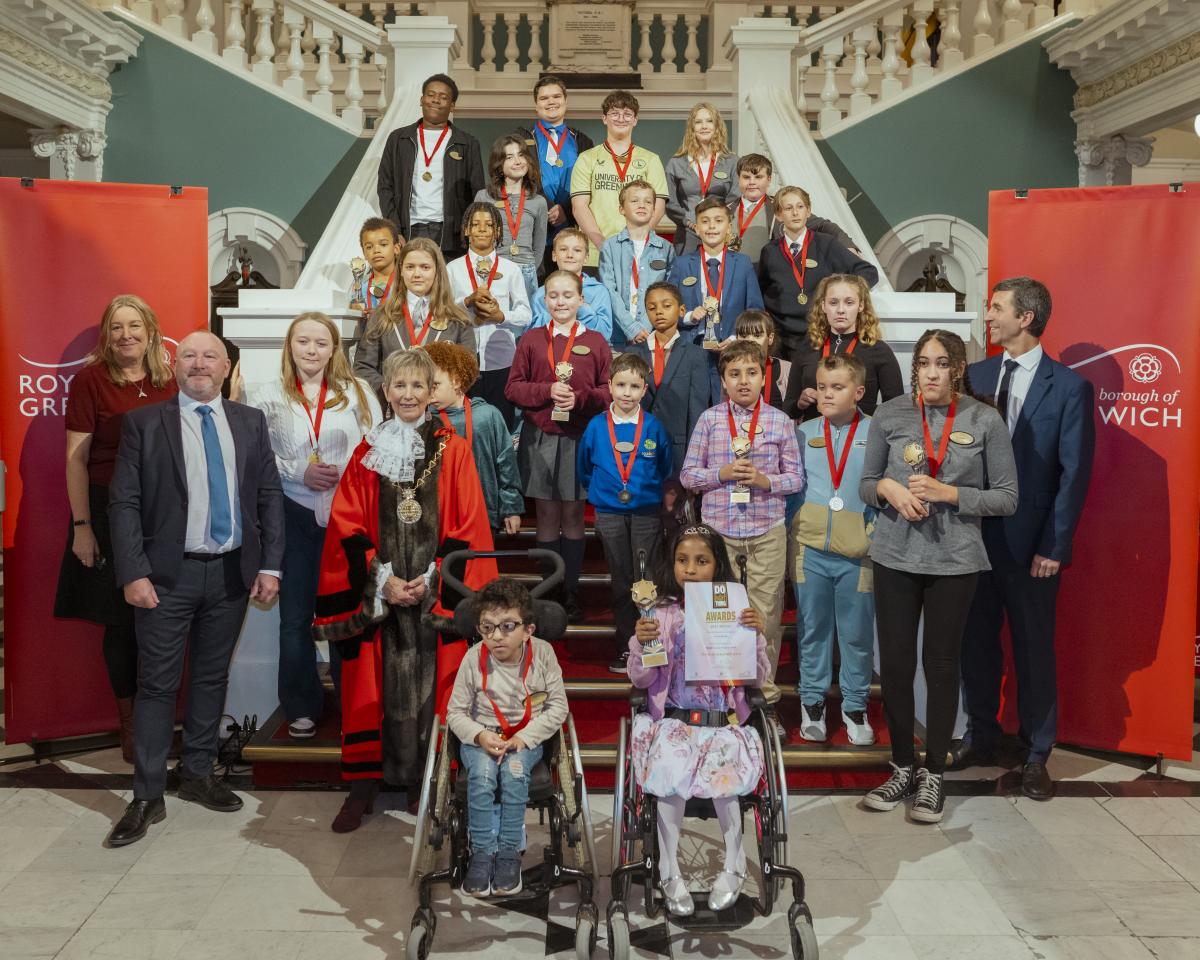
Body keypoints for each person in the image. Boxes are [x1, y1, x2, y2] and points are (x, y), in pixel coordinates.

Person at [105, 331, 284, 847]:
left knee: (210, 677)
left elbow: (268, 496)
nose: (199, 364)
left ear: (226, 368)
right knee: (157, 684)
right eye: (189, 356)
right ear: (174, 366)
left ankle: (198, 774)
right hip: (165, 577)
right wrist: (133, 573)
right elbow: (124, 504)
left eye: (210, 356)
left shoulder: (250, 423)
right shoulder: (142, 424)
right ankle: (147, 794)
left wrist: (271, 565)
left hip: (231, 574)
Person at [314, 348, 498, 832]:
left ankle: (430, 782)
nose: (410, 394)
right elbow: (347, 525)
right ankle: (363, 787)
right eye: (401, 385)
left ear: (433, 392)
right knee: (367, 689)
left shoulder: (452, 449)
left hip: (432, 590)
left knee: (437, 687)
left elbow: (469, 522)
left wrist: (432, 577)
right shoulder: (366, 451)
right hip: (382, 596)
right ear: (386, 391)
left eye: (420, 385)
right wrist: (382, 579)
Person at [859, 329, 1017, 824]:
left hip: (956, 561)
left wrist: (951, 495)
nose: (931, 372)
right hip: (894, 556)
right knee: (899, 666)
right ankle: (902, 765)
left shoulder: (984, 419)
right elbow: (865, 485)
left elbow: (1007, 497)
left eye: (942, 363)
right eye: (924, 362)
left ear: (958, 368)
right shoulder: (891, 414)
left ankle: (933, 775)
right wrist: (887, 486)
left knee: (942, 666)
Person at [955, 278, 1095, 800]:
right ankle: (981, 735)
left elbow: (1073, 475)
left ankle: (1037, 753)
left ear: (1026, 318)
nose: (988, 317)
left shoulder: (1070, 388)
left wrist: (1054, 547)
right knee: (976, 644)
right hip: (974, 541)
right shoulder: (978, 375)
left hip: (1033, 548)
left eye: (996, 308)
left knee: (1034, 650)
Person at [238, 314, 380, 740]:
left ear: (335, 349)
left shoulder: (357, 392)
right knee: (295, 617)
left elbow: (376, 447)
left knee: (346, 613)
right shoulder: (267, 396)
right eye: (303, 342)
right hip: (292, 516)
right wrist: (300, 471)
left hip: (346, 517)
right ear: (290, 346)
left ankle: (353, 700)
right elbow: (256, 457)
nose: (312, 350)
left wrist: (350, 476)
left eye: (321, 343)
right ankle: (301, 705)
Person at [54, 295, 178, 764]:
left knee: (166, 622)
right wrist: (83, 526)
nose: (125, 335)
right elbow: (76, 460)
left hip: (165, 517)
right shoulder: (91, 381)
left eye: (134, 326)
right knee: (122, 623)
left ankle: (159, 721)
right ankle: (130, 728)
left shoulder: (170, 381)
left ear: (151, 330)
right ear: (107, 336)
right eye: (116, 327)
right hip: (109, 513)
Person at [627, 523, 770, 916]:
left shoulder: (736, 610)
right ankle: (670, 871)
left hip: (720, 719)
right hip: (673, 718)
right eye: (682, 560)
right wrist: (642, 643)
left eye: (701, 561)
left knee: (724, 770)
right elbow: (640, 679)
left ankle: (735, 863)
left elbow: (757, 678)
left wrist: (754, 636)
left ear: (717, 566)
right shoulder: (659, 613)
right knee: (670, 766)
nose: (690, 569)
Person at [679, 340, 803, 706]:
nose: (744, 381)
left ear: (764, 378)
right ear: (723, 381)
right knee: (717, 617)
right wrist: (722, 473)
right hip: (718, 535)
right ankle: (719, 698)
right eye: (735, 374)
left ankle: (764, 698)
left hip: (767, 531)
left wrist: (767, 481)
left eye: (751, 373)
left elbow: (796, 478)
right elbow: (688, 476)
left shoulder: (780, 421)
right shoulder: (710, 419)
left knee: (764, 616)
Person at [447, 578, 569, 898]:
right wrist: (480, 735)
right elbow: (455, 713)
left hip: (524, 737)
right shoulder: (474, 657)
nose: (496, 636)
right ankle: (482, 852)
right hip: (482, 735)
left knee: (514, 773)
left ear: (528, 630)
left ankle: (509, 852)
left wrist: (524, 739)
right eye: (487, 627)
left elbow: (557, 708)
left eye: (507, 626)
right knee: (484, 774)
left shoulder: (543, 654)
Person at [506, 271, 613, 622]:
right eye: (553, 295)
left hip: (579, 439)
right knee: (548, 516)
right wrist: (547, 391)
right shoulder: (532, 340)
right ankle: (548, 588)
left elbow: (608, 391)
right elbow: (513, 388)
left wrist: (580, 399)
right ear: (544, 300)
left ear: (582, 300)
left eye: (568, 295)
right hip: (540, 438)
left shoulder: (596, 341)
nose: (561, 301)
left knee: (573, 517)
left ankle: (571, 589)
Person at [792, 353, 876, 746]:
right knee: (812, 630)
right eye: (822, 386)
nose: (826, 394)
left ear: (858, 392)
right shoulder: (803, 432)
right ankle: (812, 704)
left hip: (858, 555)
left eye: (837, 388)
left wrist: (871, 534)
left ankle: (855, 707)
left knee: (857, 635)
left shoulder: (877, 434)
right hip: (810, 549)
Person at [577, 353, 673, 673]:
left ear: (644, 389)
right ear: (609, 387)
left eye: (634, 386)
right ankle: (626, 645)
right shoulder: (595, 427)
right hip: (608, 512)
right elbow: (585, 469)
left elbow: (665, 466)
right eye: (621, 385)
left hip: (645, 512)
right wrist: (605, 494)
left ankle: (651, 645)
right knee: (621, 581)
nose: (627, 393)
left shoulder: (654, 427)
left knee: (647, 580)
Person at [757, 186, 878, 360]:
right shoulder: (770, 251)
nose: (795, 213)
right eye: (788, 208)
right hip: (781, 339)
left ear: (808, 211)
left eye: (800, 207)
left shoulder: (826, 244)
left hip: (817, 336)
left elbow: (868, 272)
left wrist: (843, 289)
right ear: (778, 215)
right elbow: (761, 290)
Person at [377, 73, 484, 261]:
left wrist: (468, 233)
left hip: (451, 234)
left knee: (448, 289)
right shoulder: (398, 139)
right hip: (409, 230)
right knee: (413, 286)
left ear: (452, 106)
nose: (436, 100)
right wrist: (394, 230)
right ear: (421, 99)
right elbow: (385, 188)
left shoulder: (467, 143)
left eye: (443, 97)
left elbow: (477, 192)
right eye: (430, 94)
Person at [425, 340, 524, 537]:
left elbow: (506, 464)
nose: (429, 392)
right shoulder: (426, 421)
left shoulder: (488, 415)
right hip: (439, 515)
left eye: (435, 385)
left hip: (483, 512)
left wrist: (511, 508)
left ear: (456, 381)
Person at [445, 203, 531, 430]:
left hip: (501, 361)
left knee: (500, 426)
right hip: (462, 361)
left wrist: (501, 315)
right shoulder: (452, 269)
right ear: (466, 230)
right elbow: (442, 312)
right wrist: (467, 301)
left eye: (489, 225)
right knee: (462, 428)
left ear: (498, 231)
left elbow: (525, 315)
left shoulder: (512, 269)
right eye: (475, 224)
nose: (482, 229)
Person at [353, 237, 477, 394]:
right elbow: (363, 367)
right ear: (401, 270)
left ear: (437, 270)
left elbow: (468, 368)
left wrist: (437, 392)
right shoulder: (382, 316)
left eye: (425, 267)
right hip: (395, 408)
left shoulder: (459, 319)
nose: (417, 274)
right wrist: (394, 391)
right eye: (410, 267)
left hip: (441, 410)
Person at [571, 90, 668, 270]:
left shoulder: (651, 159)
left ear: (635, 120)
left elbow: (658, 206)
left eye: (627, 114)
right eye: (614, 113)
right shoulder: (586, 158)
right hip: (594, 254)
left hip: (637, 253)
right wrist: (603, 245)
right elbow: (579, 207)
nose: (621, 118)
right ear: (604, 118)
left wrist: (636, 242)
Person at [786, 274, 904, 421]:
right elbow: (788, 409)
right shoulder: (808, 347)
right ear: (823, 305)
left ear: (861, 306)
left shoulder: (879, 350)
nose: (840, 310)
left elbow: (897, 410)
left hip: (861, 439)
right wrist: (799, 404)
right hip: (815, 439)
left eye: (849, 303)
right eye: (833, 302)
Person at [628, 282, 712, 473]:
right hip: (637, 445)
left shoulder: (695, 355)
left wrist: (695, 458)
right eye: (652, 307)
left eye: (666, 306)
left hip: (677, 450)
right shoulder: (633, 354)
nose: (659, 312)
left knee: (671, 502)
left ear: (681, 310)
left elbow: (697, 409)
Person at [517, 75, 595, 268]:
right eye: (544, 98)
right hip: (534, 227)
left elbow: (588, 185)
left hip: (570, 226)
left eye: (556, 96)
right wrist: (548, 206)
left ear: (565, 101)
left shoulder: (582, 141)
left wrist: (565, 210)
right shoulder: (521, 139)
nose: (551, 102)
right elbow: (521, 178)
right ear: (536, 105)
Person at [668, 198, 764, 352]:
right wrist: (689, 316)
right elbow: (669, 308)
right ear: (697, 228)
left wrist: (736, 338)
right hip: (692, 347)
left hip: (733, 347)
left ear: (728, 228)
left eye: (718, 221)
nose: (712, 226)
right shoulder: (681, 264)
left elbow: (755, 311)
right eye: (705, 221)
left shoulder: (743, 263)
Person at [728, 154, 858, 264]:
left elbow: (824, 226)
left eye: (758, 177)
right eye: (746, 177)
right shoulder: (725, 210)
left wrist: (849, 247)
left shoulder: (782, 207)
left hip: (766, 278)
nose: (752, 182)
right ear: (738, 179)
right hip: (731, 276)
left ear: (768, 180)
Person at [598, 179, 675, 348]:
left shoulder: (666, 249)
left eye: (648, 202)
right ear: (621, 209)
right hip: (619, 336)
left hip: (654, 335)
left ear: (654, 209)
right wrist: (631, 327)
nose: (642, 205)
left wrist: (647, 326)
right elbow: (609, 290)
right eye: (634, 201)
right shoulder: (610, 246)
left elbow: (668, 292)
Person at [475, 134, 548, 301]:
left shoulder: (538, 201)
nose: (518, 161)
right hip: (494, 268)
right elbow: (476, 240)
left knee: (524, 323)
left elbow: (539, 244)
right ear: (499, 165)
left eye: (521, 155)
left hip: (526, 270)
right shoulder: (484, 197)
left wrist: (528, 269)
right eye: (509, 157)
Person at [665, 103, 739, 255]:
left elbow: (736, 196)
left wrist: (719, 220)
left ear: (717, 125)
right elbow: (670, 202)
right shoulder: (676, 163)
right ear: (692, 128)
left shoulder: (732, 161)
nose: (704, 126)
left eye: (709, 121)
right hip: (688, 234)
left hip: (720, 233)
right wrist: (689, 222)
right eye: (698, 122)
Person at [529, 228, 614, 340]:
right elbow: (531, 334)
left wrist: (580, 307)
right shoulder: (541, 293)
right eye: (563, 249)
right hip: (550, 352)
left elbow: (605, 333)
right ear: (554, 255)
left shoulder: (599, 291)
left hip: (586, 353)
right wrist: (557, 311)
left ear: (586, 258)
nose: (570, 255)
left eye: (577, 250)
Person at [350, 217, 402, 320]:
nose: (376, 250)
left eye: (383, 245)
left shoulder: (405, 281)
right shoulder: (360, 284)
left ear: (396, 248)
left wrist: (384, 313)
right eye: (369, 247)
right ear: (364, 253)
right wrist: (354, 308)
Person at [734, 310, 784, 408]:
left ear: (770, 338)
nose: (750, 341)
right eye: (744, 336)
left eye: (757, 336)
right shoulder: (731, 370)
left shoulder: (786, 370)